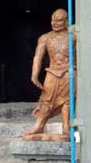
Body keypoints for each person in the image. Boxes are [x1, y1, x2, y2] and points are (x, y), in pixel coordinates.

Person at [25, 8, 74, 140]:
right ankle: (39, 125)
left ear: (67, 21)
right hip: (52, 72)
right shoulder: (45, 38)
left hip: (69, 71)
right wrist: (34, 74)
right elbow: (38, 57)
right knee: (46, 101)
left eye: (58, 20)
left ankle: (66, 127)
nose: (54, 22)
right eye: (53, 19)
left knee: (68, 101)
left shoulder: (73, 36)